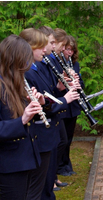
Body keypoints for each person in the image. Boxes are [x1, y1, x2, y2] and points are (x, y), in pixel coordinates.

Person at [20, 28, 79, 200]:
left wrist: (59, 89)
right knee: (39, 187)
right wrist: (65, 99)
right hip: (40, 133)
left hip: (48, 131)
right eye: (43, 45)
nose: (46, 50)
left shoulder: (37, 67)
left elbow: (46, 95)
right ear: (29, 47)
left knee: (46, 182)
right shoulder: (28, 71)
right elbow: (41, 106)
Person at [0, 35, 43, 199]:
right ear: (13, 60)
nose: (29, 66)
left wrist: (32, 103)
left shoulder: (14, 82)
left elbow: (15, 113)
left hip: (24, 160)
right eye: (25, 61)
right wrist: (23, 119)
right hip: (9, 165)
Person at [57, 35, 85, 176]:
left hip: (73, 106)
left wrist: (77, 79)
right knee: (62, 139)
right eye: (67, 49)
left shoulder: (75, 65)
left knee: (68, 138)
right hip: (62, 105)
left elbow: (82, 86)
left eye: (72, 50)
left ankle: (67, 164)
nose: (69, 52)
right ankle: (60, 166)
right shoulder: (56, 65)